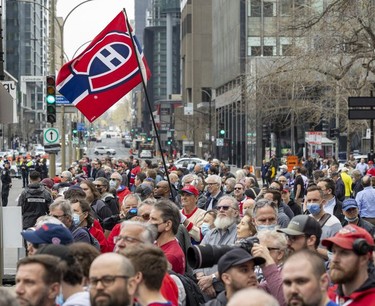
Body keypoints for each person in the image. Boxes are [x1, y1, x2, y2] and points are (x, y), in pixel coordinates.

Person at [195, 196, 239, 298]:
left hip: (227, 293)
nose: (221, 210)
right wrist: (202, 279)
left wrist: (212, 278)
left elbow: (236, 263)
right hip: (204, 289)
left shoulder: (240, 233)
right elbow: (198, 256)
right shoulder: (210, 233)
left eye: (225, 208)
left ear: (236, 213)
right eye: (218, 208)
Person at [322, 224, 375, 305]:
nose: (334, 259)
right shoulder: (326, 295)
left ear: (364, 258)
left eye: (344, 253)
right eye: (334, 252)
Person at [149, 199, 186, 275]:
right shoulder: (157, 244)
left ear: (168, 225)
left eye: (153, 219)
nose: (148, 223)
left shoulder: (170, 255)